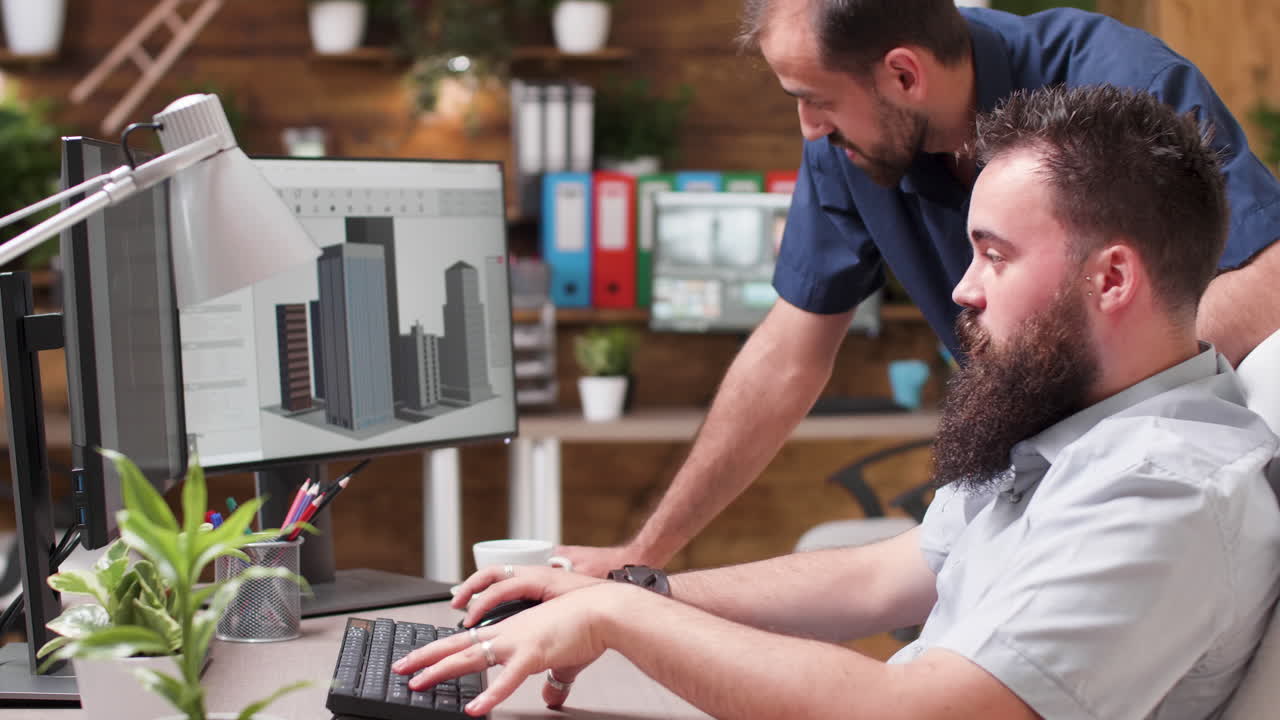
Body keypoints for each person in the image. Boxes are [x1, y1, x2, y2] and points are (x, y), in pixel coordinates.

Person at [393, 84, 1280, 719]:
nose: (962, 289)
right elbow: (875, 575)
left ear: (1111, 277)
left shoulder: (1163, 493)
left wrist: (620, 617)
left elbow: (917, 713)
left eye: (995, 255)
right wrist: (638, 589)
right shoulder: (1080, 428)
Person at [560, 0, 1280, 580]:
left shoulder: (1116, 83)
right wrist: (642, 563)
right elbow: (787, 354)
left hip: (1142, 493)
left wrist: (1075, 403)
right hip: (1019, 489)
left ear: (904, 76)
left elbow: (1270, 278)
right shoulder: (849, 146)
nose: (809, 127)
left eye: (815, 99)